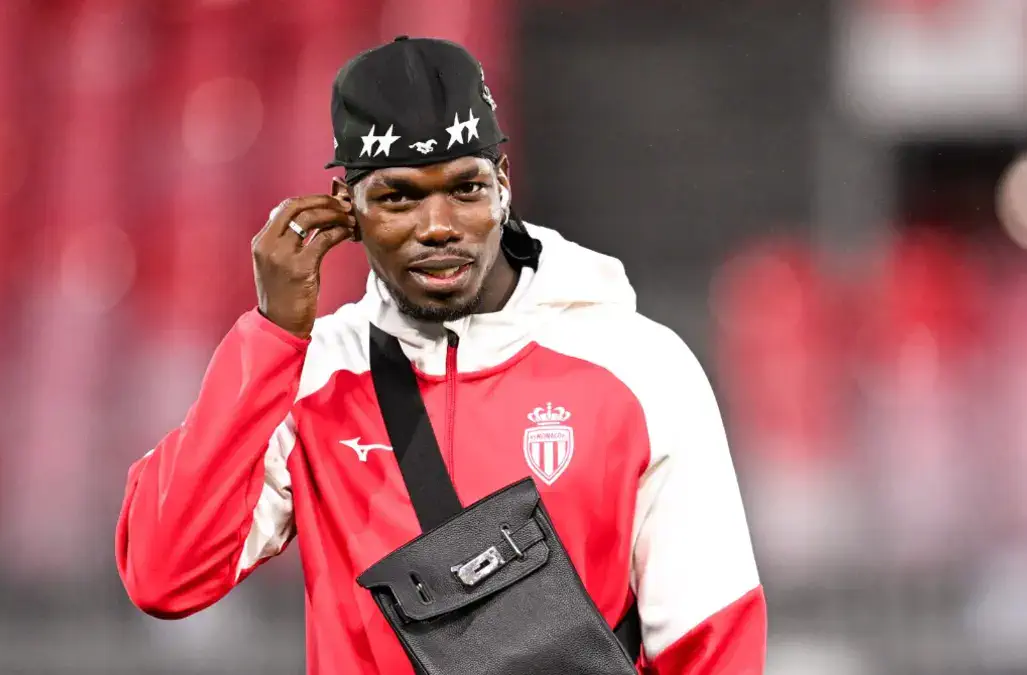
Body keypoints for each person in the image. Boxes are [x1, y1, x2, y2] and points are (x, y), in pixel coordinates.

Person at [115, 36, 767, 674]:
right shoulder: (310, 376)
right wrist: (271, 336)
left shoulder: (641, 366)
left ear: (503, 183)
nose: (437, 226)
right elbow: (165, 574)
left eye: (465, 188)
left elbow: (713, 637)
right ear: (346, 206)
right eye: (399, 196)